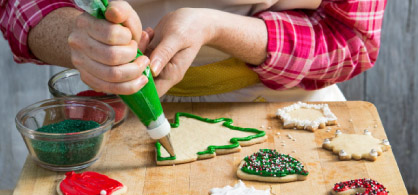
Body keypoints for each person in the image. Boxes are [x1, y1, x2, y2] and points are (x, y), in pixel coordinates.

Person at [0, 0, 387, 103]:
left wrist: (218, 27)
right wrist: (80, 37)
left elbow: (352, 37)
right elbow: (19, 7)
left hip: (283, 105)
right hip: (115, 110)